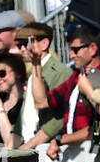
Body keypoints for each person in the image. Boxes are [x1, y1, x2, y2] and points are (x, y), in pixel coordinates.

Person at [17, 22, 72, 150]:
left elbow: (58, 118)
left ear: (44, 44)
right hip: (31, 146)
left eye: (26, 43)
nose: (22, 49)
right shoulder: (33, 73)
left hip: (46, 149)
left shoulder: (59, 72)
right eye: (19, 45)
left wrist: (29, 146)